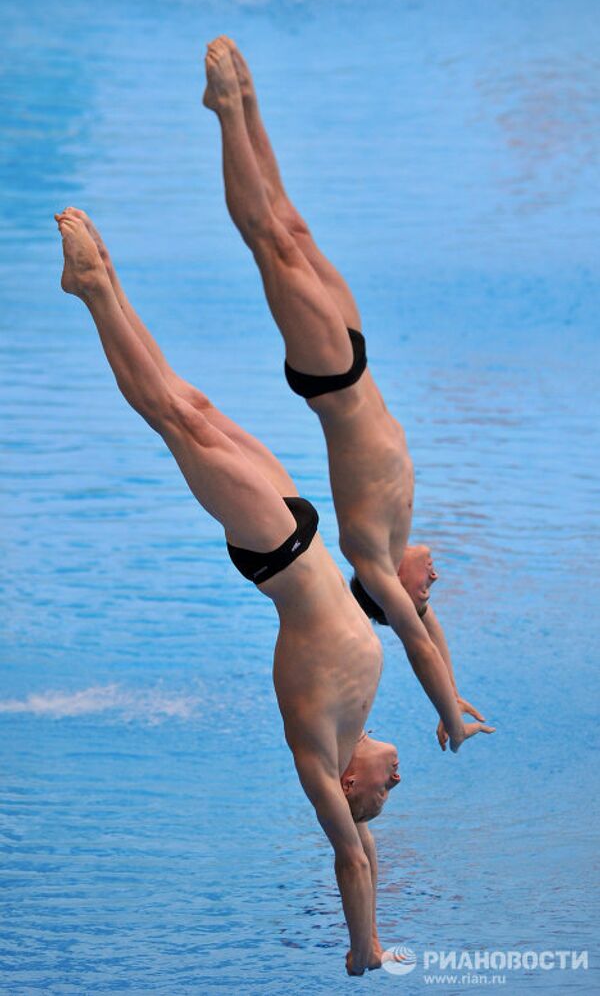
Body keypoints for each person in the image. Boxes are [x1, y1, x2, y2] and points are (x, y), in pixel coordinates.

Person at [55, 207, 411, 975]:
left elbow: (351, 854)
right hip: (299, 529)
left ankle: (92, 288)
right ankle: (103, 278)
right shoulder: (353, 722)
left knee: (175, 418)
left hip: (278, 551)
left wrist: (363, 946)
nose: (397, 781)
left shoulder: (322, 758)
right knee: (198, 406)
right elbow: (369, 849)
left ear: (351, 783)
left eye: (384, 793)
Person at [203, 37, 495, 751]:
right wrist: (454, 689)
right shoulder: (394, 547)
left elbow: (418, 640)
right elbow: (431, 635)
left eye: (419, 597)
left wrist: (446, 714)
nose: (432, 590)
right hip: (355, 357)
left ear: (393, 589)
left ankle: (225, 113)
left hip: (332, 378)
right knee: (294, 225)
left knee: (268, 239)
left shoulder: (370, 555)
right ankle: (248, 102)